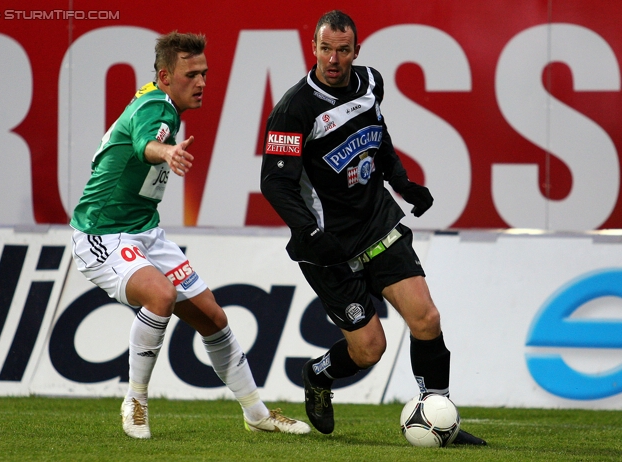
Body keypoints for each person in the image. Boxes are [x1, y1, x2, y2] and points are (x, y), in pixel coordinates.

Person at [70, 31, 310, 439]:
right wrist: (166, 152)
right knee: (160, 296)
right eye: (190, 74)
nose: (201, 82)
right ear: (165, 77)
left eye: (204, 73)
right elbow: (148, 142)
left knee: (214, 319)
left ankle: (256, 412)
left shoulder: (161, 102)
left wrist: (166, 147)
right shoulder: (156, 107)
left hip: (145, 230)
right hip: (103, 233)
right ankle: (136, 400)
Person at [260, 11, 485, 445]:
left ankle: (440, 414)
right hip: (327, 246)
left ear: (356, 52)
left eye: (343, 50)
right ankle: (317, 374)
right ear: (314, 49)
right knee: (369, 349)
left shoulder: (370, 83)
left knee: (426, 318)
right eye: (326, 49)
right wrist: (307, 232)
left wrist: (402, 183)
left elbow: (378, 137)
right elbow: (275, 181)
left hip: (377, 222)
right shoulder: (293, 109)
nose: (334, 59)